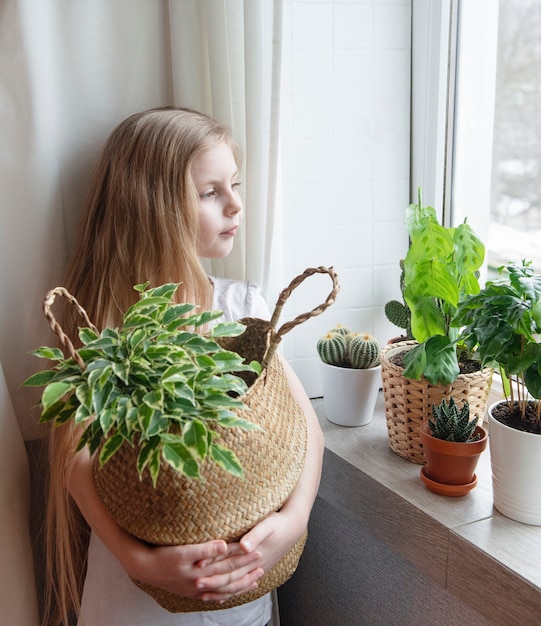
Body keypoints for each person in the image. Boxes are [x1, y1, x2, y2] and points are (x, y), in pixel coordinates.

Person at [44, 106, 325, 626]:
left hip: (245, 605)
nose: (237, 204)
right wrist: (141, 560)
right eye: (209, 192)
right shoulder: (107, 325)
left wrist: (294, 518)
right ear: (151, 208)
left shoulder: (245, 311)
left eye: (234, 184)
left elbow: (306, 430)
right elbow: (74, 460)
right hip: (134, 606)